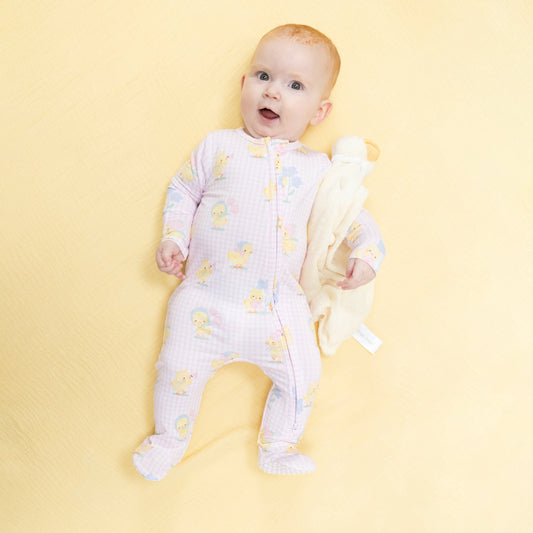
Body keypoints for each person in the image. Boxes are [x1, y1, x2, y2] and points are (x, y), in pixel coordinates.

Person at [133, 23, 385, 479]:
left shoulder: (316, 169)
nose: (273, 92)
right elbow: (183, 191)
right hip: (204, 300)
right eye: (263, 76)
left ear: (319, 111)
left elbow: (350, 216)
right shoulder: (218, 147)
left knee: (304, 376)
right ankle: (167, 441)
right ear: (243, 83)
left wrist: (367, 254)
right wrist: (174, 238)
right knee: (174, 369)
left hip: (277, 309)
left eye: (295, 85)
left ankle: (278, 446)